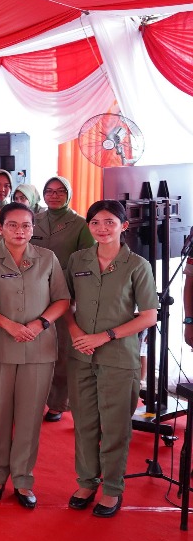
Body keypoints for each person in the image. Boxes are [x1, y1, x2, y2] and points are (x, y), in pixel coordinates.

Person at [63, 200, 159, 518]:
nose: (102, 229)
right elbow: (65, 303)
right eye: (95, 223)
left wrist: (105, 336)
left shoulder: (137, 266)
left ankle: (112, 489)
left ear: (123, 226)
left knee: (115, 427)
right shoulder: (78, 260)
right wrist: (75, 332)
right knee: (85, 424)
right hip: (81, 355)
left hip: (118, 357)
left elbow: (148, 316)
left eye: (109, 222)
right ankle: (86, 482)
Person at [0, 201, 71, 509]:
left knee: (30, 417)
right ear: (0, 228)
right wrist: (8, 325)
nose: (20, 231)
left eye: (26, 226)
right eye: (13, 225)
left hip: (38, 347)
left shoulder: (47, 258)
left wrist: (39, 323)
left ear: (33, 229)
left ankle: (22, 479)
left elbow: (62, 299)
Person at [34, 176, 95, 422]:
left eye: (60, 191)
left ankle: (58, 402)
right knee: (34, 347)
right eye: (49, 191)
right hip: (34, 291)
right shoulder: (34, 220)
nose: (54, 195)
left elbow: (87, 261)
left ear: (68, 194)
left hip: (65, 293)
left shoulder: (80, 224)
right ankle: (33, 399)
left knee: (61, 349)